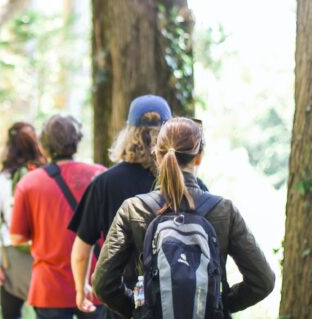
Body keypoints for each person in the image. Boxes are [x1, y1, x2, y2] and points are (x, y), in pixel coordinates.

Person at [92, 118, 275, 318]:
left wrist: (140, 309)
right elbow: (263, 281)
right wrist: (220, 305)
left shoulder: (133, 209)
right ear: (199, 157)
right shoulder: (225, 211)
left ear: (157, 156)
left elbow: (103, 284)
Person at [68, 96, 210, 318]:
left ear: (128, 133)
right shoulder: (192, 186)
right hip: (182, 305)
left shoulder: (104, 183)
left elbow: (81, 249)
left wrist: (81, 289)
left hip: (124, 305)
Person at [10, 115, 106, 319]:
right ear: (77, 141)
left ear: (43, 146)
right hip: (95, 283)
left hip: (50, 287)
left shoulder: (29, 184)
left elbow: (16, 237)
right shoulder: (100, 176)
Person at [0, 122, 47, 319]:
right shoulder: (49, 175)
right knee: (46, 311)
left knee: (11, 312)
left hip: (13, 255)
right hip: (46, 254)